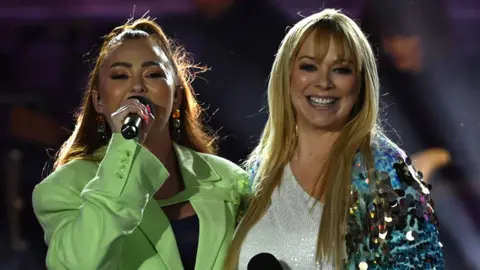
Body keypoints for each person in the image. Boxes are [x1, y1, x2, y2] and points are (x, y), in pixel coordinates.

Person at [224, 9, 444, 270]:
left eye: (340, 70)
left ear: (360, 82)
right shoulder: (261, 169)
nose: (324, 82)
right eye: (309, 67)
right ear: (286, 76)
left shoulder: (384, 170)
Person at [32, 17, 249, 270]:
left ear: (176, 96)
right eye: (120, 75)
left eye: (153, 74)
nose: (137, 86)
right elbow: (81, 264)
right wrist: (126, 146)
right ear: (99, 101)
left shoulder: (231, 181)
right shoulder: (63, 188)